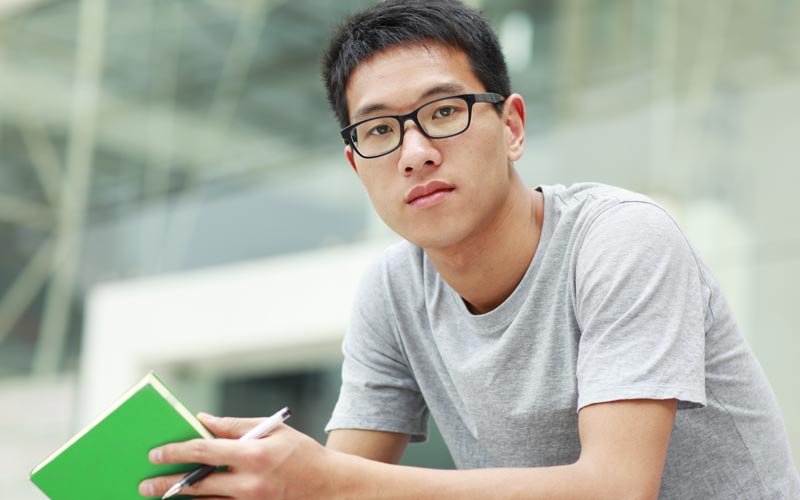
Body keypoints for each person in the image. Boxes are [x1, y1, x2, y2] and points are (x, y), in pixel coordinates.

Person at [139, 0, 800, 498]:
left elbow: (615, 488)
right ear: (354, 165)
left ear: (511, 126)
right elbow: (340, 482)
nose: (415, 152)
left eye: (444, 112)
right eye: (378, 130)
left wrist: (322, 476)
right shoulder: (393, 292)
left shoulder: (620, 238)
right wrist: (257, 477)